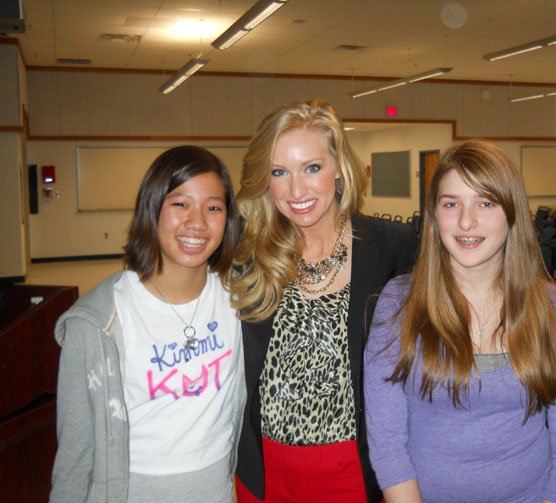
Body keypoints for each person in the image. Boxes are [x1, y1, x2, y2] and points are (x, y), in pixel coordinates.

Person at [364, 140, 556, 503]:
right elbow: (388, 445)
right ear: (434, 214)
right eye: (451, 203)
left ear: (511, 212)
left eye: (485, 203)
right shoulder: (398, 303)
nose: (466, 221)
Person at [230, 98, 418, 502]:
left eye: (311, 168)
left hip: (355, 469)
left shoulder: (392, 247)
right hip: (263, 473)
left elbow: (468, 290)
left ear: (339, 169)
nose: (297, 190)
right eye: (279, 172)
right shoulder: (246, 254)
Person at [50, 146, 245, 503]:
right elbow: (74, 454)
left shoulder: (240, 300)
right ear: (152, 209)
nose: (197, 223)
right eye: (181, 204)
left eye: (213, 207)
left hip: (217, 490)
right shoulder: (97, 323)